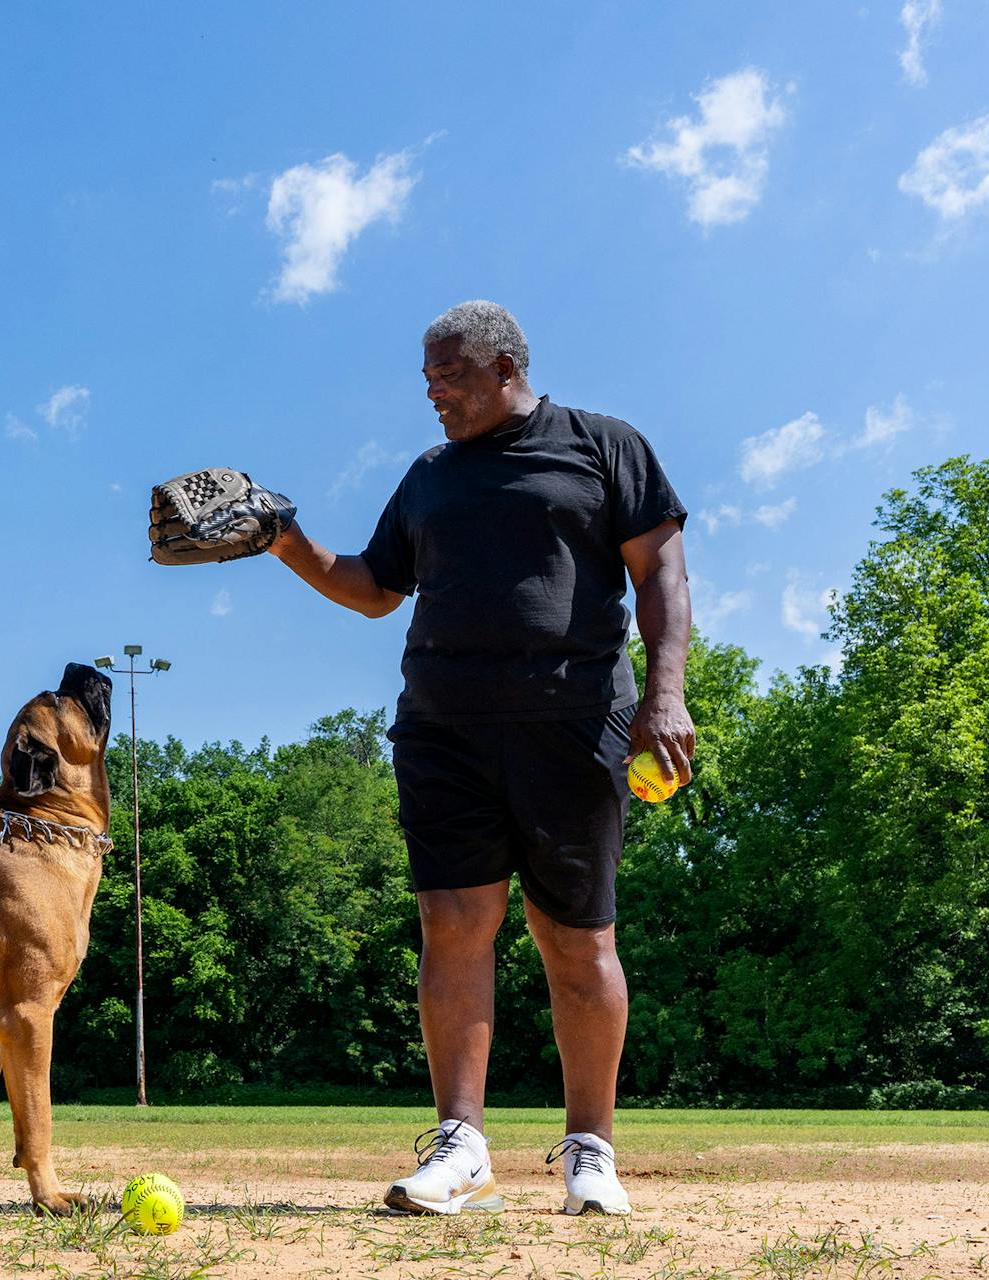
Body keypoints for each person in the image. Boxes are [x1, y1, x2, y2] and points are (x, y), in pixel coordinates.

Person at [268, 301, 693, 1217]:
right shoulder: (429, 477)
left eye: (450, 375)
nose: (434, 393)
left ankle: (591, 1153)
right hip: (443, 725)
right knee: (453, 922)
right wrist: (284, 539)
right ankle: (461, 1148)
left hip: (577, 723)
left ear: (505, 367)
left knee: (577, 939)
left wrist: (666, 694)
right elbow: (375, 588)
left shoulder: (604, 445)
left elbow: (661, 572)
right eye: (427, 378)